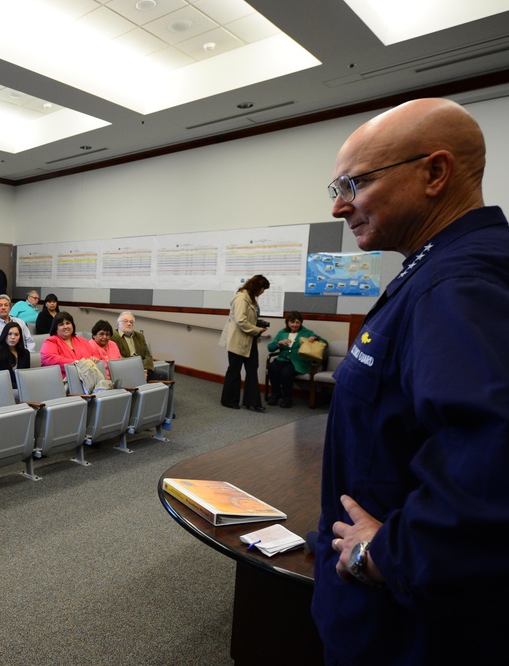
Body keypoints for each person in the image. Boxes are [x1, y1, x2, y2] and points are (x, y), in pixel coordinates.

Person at [314, 99, 509, 665]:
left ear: (435, 173)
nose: (337, 205)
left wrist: (379, 554)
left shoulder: (457, 285)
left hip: (409, 629)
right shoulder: (448, 266)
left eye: (355, 183)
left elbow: (492, 470)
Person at [218, 274, 269, 411]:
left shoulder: (251, 299)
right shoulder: (242, 298)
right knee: (234, 370)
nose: (263, 292)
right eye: (263, 289)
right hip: (238, 340)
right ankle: (229, 400)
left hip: (249, 340)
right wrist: (257, 330)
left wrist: (257, 325)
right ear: (257, 286)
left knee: (252, 370)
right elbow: (240, 320)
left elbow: (247, 318)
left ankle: (252, 402)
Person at [265, 311, 320, 408]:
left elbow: (324, 342)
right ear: (287, 322)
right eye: (292, 322)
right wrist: (279, 343)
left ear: (301, 323)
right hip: (283, 359)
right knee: (273, 368)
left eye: (297, 322)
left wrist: (314, 338)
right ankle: (275, 395)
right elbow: (270, 348)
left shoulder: (307, 333)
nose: (294, 325)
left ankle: (287, 399)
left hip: (299, 361)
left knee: (286, 372)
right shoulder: (282, 333)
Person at [40, 311, 96, 378]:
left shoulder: (83, 341)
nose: (65, 326)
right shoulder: (50, 342)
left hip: (86, 380)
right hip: (61, 381)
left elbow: (95, 354)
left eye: (68, 323)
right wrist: (76, 363)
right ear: (56, 328)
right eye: (61, 324)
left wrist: (94, 358)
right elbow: (50, 359)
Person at [112, 311, 163, 380]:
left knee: (163, 374)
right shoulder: (113, 337)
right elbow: (118, 358)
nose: (129, 324)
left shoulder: (139, 336)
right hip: (127, 369)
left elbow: (147, 355)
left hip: (142, 367)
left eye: (131, 322)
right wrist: (137, 370)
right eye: (125, 321)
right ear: (118, 323)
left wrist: (145, 368)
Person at [0, 320, 30, 390]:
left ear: (20, 337)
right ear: (4, 335)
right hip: (3, 389)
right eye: (9, 334)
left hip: (23, 389)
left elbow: (26, 376)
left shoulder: (25, 353)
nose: (13, 337)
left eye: (16, 334)